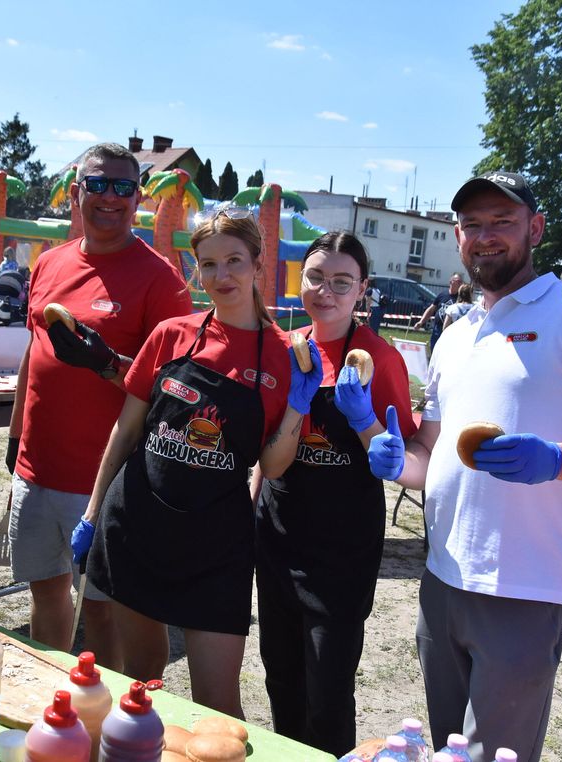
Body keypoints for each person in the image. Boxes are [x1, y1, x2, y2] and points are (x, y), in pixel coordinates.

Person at [367, 171, 562, 762]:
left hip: (523, 588)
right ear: (457, 236)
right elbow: (430, 457)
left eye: (503, 221)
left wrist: (554, 461)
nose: (486, 235)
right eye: (473, 224)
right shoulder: (456, 333)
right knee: (446, 753)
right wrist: (398, 462)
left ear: (536, 229)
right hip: (442, 581)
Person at [78, 210, 307, 719]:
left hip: (216, 547)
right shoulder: (171, 335)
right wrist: (93, 514)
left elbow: (271, 466)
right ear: (195, 270)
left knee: (218, 704)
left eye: (233, 261)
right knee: (142, 679)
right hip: (137, 526)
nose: (221, 277)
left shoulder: (283, 357)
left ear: (257, 263)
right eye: (208, 265)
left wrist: (297, 408)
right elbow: (126, 430)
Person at [5, 142, 193, 660]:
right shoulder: (50, 264)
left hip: (108, 483)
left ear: (138, 200)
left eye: (124, 188)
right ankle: (51, 703)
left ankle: (103, 723)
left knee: (103, 610)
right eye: (98, 184)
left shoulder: (161, 280)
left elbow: (176, 398)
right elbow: (32, 354)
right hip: (37, 470)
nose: (111, 197)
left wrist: (107, 363)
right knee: (45, 593)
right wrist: (16, 434)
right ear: (75, 193)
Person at [252, 231, 417, 756]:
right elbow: (269, 449)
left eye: (341, 282)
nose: (326, 291)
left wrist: (365, 421)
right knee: (280, 680)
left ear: (362, 289)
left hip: (341, 554)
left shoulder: (380, 358)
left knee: (327, 693)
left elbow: (399, 455)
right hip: (278, 539)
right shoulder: (284, 347)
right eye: (316, 278)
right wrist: (250, 510)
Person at [415, 272, 463, 349]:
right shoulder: (442, 294)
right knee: (433, 351)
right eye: (458, 281)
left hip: (451, 332)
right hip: (437, 329)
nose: (460, 284)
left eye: (461, 282)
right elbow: (431, 309)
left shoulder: (460, 298)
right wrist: (421, 322)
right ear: (451, 281)